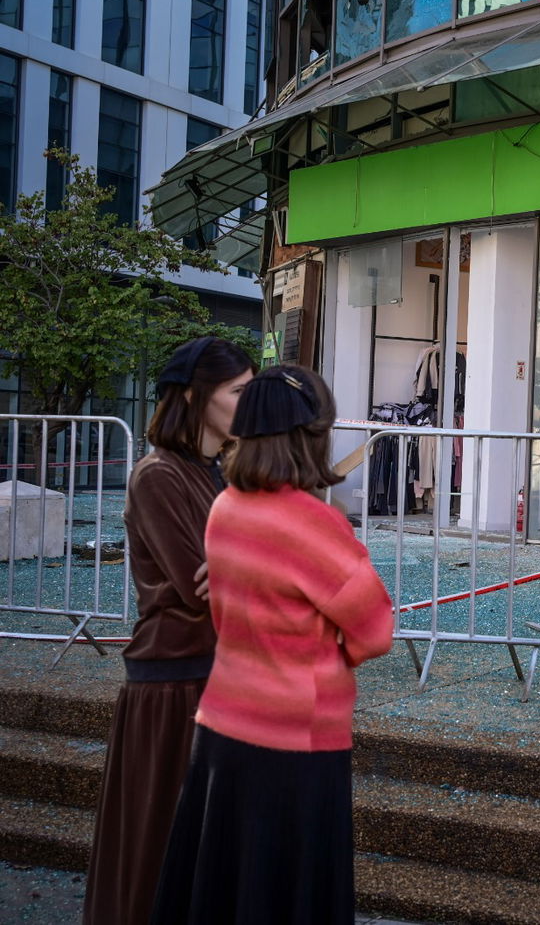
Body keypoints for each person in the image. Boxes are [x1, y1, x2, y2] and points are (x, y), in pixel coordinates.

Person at [150, 365, 394, 924]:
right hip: (298, 735)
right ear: (314, 434)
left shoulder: (226, 508)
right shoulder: (315, 523)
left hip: (225, 725)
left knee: (226, 884)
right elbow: (375, 630)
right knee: (290, 894)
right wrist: (337, 641)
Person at [84, 336, 255, 925]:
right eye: (238, 391)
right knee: (163, 849)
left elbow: (233, 576)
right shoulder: (159, 474)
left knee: (203, 853)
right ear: (193, 396)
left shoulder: (217, 475)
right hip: (174, 682)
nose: (249, 402)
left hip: (212, 675)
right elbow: (198, 584)